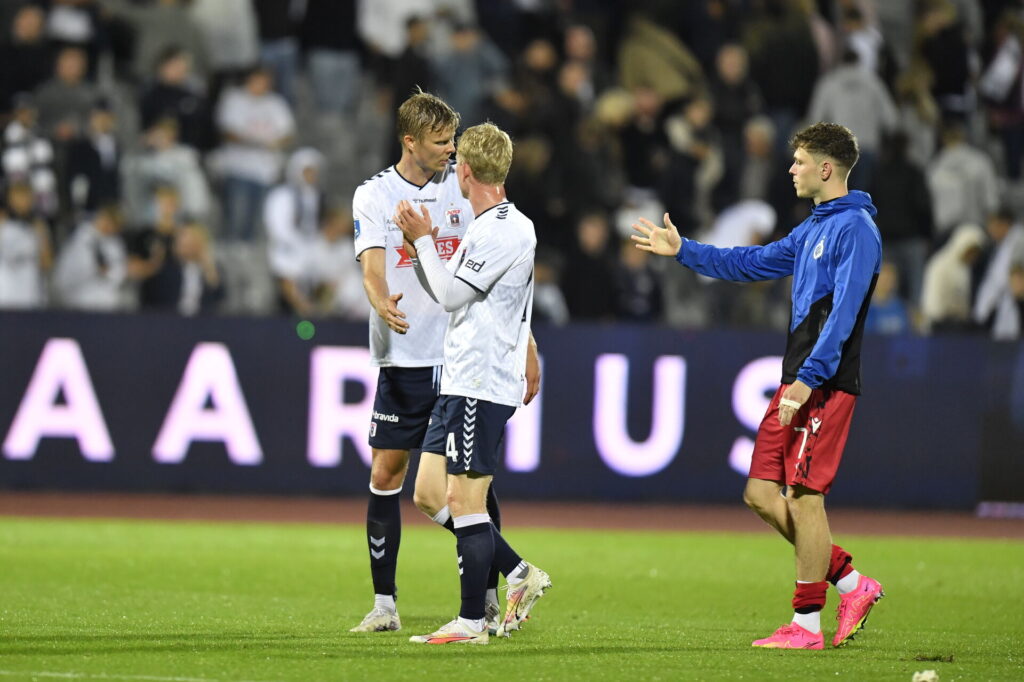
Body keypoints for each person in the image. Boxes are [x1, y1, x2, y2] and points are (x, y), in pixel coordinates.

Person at [633, 122, 884, 650]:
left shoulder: (857, 228)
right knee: (761, 494)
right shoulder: (815, 226)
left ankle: (807, 625)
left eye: (798, 161)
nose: (790, 169)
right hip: (796, 377)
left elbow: (844, 313)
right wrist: (684, 250)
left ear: (825, 168)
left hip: (825, 381)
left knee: (805, 497)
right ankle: (854, 585)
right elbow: (749, 263)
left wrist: (809, 379)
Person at [350, 90, 538, 635]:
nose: (450, 152)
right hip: (406, 356)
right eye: (439, 143)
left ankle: (482, 600)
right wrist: (379, 297)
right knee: (390, 472)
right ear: (409, 141)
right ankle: (385, 604)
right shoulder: (376, 195)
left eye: (453, 142)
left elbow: (507, 286)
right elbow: (372, 265)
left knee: (468, 485)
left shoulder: (468, 190)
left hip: (459, 359)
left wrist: (528, 345)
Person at [394, 121, 549, 645]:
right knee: (428, 492)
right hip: (462, 376)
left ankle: (470, 621)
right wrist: (425, 248)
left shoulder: (504, 229)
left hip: (480, 381)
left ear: (465, 171)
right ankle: (519, 572)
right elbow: (492, 298)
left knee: (466, 501)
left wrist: (422, 242)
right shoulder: (493, 224)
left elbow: (451, 296)